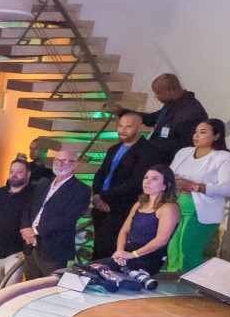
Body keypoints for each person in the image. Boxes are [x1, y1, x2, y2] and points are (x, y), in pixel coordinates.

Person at [166, 117, 230, 272]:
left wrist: (193, 185)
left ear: (216, 136)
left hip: (200, 210)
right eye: (196, 132)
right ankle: (172, 286)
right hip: (176, 205)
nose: (196, 135)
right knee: (173, 249)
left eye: (203, 132)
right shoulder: (184, 152)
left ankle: (191, 289)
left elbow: (227, 189)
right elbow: (169, 174)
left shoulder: (225, 158)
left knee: (188, 250)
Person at [20, 143, 91, 279]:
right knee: (30, 290)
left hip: (54, 251)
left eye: (64, 161)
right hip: (31, 247)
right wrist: (25, 228)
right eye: (57, 160)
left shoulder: (81, 190)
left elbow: (67, 219)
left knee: (50, 291)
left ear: (74, 165)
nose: (59, 164)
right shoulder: (44, 184)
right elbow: (28, 207)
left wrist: (35, 231)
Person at [88, 109, 150, 261]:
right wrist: (97, 195)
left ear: (141, 128)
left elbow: (136, 182)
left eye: (128, 126)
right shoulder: (113, 148)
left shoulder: (147, 151)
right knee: (98, 250)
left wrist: (103, 196)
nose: (122, 130)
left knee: (113, 253)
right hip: (102, 207)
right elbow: (101, 173)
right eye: (120, 126)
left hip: (123, 209)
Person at [0, 159, 38, 293]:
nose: (14, 174)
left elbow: (36, 224)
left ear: (28, 174)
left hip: (15, 253)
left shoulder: (33, 197)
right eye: (12, 171)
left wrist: (27, 250)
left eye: (19, 172)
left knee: (10, 290)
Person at [108, 166, 181, 273]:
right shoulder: (138, 205)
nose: (147, 182)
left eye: (154, 179)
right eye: (146, 178)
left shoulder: (169, 207)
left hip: (147, 258)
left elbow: (161, 240)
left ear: (166, 184)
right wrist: (120, 252)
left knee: (94, 269)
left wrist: (133, 255)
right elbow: (124, 231)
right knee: (92, 269)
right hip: (127, 256)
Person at [143, 72, 209, 169]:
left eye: (158, 93)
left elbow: (187, 147)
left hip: (171, 167)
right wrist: (127, 114)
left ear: (171, 90)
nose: (156, 97)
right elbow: (154, 118)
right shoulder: (171, 103)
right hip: (158, 162)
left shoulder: (192, 111)